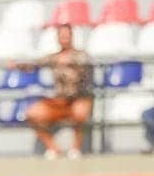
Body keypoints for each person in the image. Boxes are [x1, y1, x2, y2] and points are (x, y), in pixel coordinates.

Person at [10, 24, 93, 160]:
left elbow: (86, 74)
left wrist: (70, 65)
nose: (64, 39)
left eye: (67, 35)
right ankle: (53, 148)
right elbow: (35, 65)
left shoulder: (81, 56)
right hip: (59, 101)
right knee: (33, 113)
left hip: (78, 99)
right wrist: (18, 65)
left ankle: (76, 149)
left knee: (80, 112)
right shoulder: (54, 58)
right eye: (62, 36)